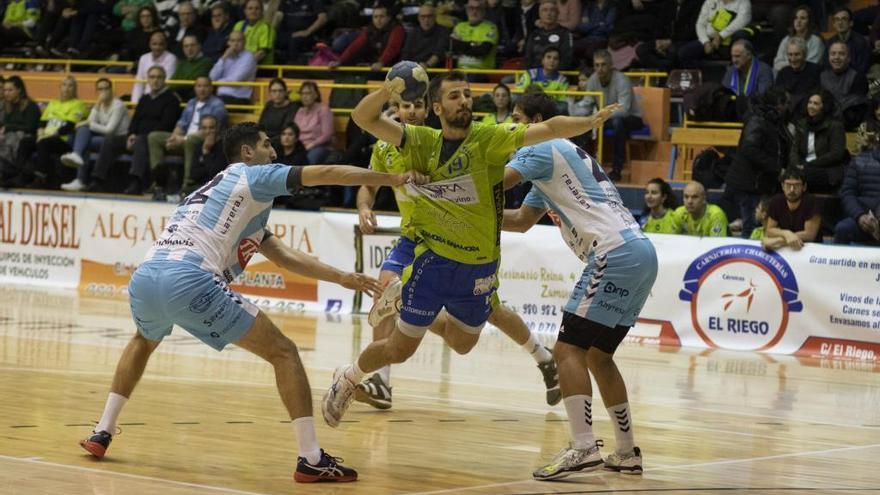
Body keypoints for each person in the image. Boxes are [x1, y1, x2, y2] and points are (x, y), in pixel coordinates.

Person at [78, 121, 429, 483]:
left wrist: (344, 278)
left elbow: (283, 256)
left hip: (146, 276)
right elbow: (326, 172)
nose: (274, 152)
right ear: (248, 153)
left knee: (143, 340)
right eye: (266, 145)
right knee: (285, 353)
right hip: (190, 277)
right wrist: (394, 178)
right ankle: (310, 457)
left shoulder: (219, 191)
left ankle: (102, 431)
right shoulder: (252, 176)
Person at [320, 70, 621, 430]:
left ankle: (401, 302)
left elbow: (550, 129)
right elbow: (362, 118)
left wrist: (588, 121)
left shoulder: (489, 138)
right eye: (454, 96)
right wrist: (389, 88)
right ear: (436, 106)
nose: (463, 100)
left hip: (478, 266)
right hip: (431, 259)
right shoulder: (417, 141)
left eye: (466, 94)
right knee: (399, 348)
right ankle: (349, 378)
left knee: (462, 344)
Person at [354, 97, 561, 410]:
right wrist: (364, 206)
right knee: (385, 290)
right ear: (396, 110)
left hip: (458, 243)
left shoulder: (438, 146)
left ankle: (543, 357)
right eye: (404, 106)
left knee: (490, 313)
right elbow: (368, 184)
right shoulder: (383, 148)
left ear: (429, 111)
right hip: (414, 240)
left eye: (416, 106)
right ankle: (380, 380)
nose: (410, 111)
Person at [501, 91, 657, 480]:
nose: (512, 127)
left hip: (612, 253)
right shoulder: (560, 158)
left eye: (518, 118)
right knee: (598, 356)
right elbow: (520, 220)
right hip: (641, 253)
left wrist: (447, 195)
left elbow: (494, 183)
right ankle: (625, 452)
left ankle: (583, 446)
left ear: (538, 119)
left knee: (567, 349)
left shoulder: (541, 145)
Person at [723, 89, 789, 238]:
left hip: (756, 183)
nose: (787, 108)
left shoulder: (771, 120)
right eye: (786, 104)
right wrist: (776, 169)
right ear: (778, 105)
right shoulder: (758, 120)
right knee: (750, 228)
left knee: (754, 227)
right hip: (748, 184)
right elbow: (750, 149)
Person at [146, 76, 228, 196]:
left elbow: (209, 131)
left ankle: (187, 184)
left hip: (201, 140)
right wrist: (173, 138)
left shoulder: (218, 105)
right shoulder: (191, 102)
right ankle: (158, 182)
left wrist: (183, 139)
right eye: (199, 86)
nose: (202, 89)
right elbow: (181, 124)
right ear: (195, 88)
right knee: (154, 137)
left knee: (191, 140)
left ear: (211, 88)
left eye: (205, 86)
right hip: (184, 139)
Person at [581, 49, 644, 181]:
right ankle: (585, 169)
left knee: (618, 122)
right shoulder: (593, 79)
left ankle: (617, 170)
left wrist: (600, 116)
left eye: (603, 65)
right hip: (606, 117)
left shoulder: (622, 79)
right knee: (583, 122)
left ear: (610, 65)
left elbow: (624, 109)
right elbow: (587, 104)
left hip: (631, 118)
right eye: (596, 65)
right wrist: (576, 112)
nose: (600, 69)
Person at [60, 78, 131, 192]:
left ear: (111, 90)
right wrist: (97, 104)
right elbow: (90, 121)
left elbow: (110, 130)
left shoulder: (118, 105)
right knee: (84, 132)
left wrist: (88, 123)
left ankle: (80, 179)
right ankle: (77, 159)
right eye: (100, 89)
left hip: (118, 140)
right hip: (105, 139)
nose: (103, 91)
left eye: (106, 88)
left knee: (84, 137)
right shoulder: (100, 105)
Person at [21, 75, 89, 189]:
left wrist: (49, 136)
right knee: (25, 142)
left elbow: (69, 126)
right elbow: (42, 122)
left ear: (75, 89)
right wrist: (40, 134)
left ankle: (41, 177)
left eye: (70, 86)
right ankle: (22, 172)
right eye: (64, 85)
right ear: (60, 87)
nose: (66, 88)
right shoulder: (53, 103)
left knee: (44, 143)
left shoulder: (79, 104)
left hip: (64, 140)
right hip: (46, 137)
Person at [789, 89, 848, 194]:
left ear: (824, 107)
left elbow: (836, 154)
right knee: (787, 176)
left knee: (805, 177)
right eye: (809, 102)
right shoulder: (802, 124)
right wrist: (796, 164)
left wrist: (809, 165)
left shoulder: (835, 126)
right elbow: (794, 149)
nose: (811, 106)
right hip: (803, 167)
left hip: (826, 169)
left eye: (816, 103)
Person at [833, 122, 880, 245]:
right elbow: (848, 193)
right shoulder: (858, 161)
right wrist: (859, 216)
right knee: (842, 229)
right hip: (863, 215)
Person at [764, 168, 820, 249]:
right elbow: (769, 230)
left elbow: (810, 235)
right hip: (785, 249)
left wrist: (777, 241)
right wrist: (786, 234)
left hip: (809, 249)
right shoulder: (777, 200)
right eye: (788, 185)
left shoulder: (811, 201)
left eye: (796, 185)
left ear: (804, 187)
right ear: (782, 186)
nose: (792, 190)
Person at [209, 30, 258, 106]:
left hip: (239, 98)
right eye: (232, 41)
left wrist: (217, 82)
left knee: (212, 105)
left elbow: (235, 80)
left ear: (244, 42)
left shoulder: (249, 57)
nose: (235, 44)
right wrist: (223, 58)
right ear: (228, 43)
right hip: (221, 97)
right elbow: (212, 77)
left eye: (239, 41)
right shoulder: (226, 57)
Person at [293, 81, 335, 164]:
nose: (305, 97)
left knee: (309, 159)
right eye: (302, 94)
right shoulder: (300, 111)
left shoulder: (324, 110)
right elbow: (294, 130)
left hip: (319, 146)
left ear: (316, 95)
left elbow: (327, 135)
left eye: (308, 93)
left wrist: (311, 145)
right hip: (300, 146)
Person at [772, 5, 824, 72]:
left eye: (802, 18)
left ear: (809, 21)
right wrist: (795, 64)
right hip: (786, 74)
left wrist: (790, 64)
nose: (798, 21)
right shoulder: (786, 39)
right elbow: (777, 64)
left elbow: (811, 65)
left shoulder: (816, 41)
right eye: (796, 18)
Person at [132, 31, 179, 104]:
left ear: (165, 45)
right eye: (154, 44)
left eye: (160, 44)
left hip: (163, 99)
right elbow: (139, 82)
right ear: (150, 44)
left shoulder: (171, 58)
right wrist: (134, 103)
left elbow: (165, 83)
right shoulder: (143, 58)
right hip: (145, 98)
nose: (157, 47)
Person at [400, 3, 450, 69]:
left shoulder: (443, 31)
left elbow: (439, 53)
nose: (426, 20)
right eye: (423, 16)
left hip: (433, 70)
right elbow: (406, 54)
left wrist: (427, 64)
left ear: (435, 17)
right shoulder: (413, 33)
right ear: (418, 18)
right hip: (413, 70)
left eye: (429, 16)